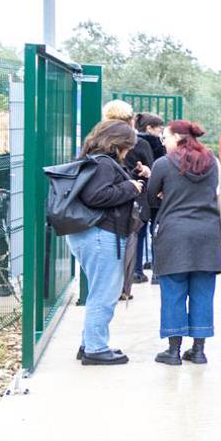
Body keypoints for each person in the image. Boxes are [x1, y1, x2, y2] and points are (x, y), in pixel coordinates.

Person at [144, 120, 221, 365]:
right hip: (207, 234)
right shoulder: (212, 163)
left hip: (174, 234)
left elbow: (150, 196)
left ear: (178, 137)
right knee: (202, 292)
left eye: (165, 138)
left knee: (173, 292)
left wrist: (166, 197)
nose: (162, 142)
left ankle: (173, 351)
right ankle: (198, 350)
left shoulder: (163, 164)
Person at [66, 119, 144, 365]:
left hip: (89, 234)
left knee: (99, 291)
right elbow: (97, 196)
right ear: (118, 144)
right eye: (128, 146)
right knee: (104, 294)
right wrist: (131, 187)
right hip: (101, 235)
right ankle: (96, 348)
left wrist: (131, 178)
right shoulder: (104, 164)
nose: (130, 151)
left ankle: (89, 342)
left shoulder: (94, 160)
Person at [102, 100, 153, 301]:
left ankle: (117, 284)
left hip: (107, 203)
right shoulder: (141, 143)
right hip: (134, 197)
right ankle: (133, 274)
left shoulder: (99, 141)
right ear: (130, 120)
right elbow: (150, 168)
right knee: (135, 238)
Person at [132, 112, 166, 283]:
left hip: (139, 193)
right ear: (149, 128)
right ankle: (157, 272)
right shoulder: (160, 145)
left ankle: (137, 271)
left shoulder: (132, 143)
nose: (161, 131)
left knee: (139, 232)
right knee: (157, 232)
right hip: (158, 193)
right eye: (159, 127)